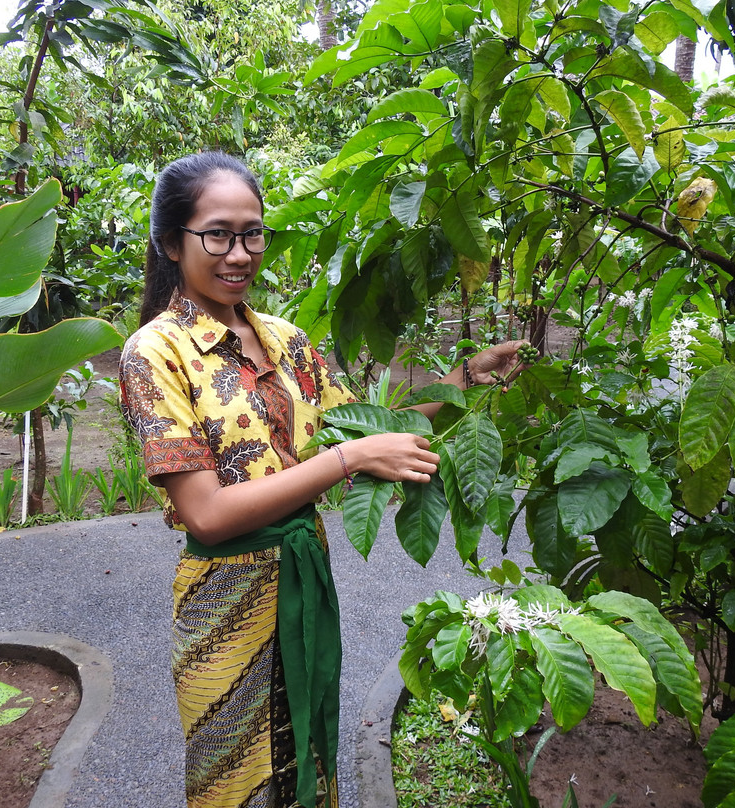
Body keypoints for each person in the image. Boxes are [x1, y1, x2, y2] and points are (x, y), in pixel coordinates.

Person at [118, 150, 526, 808]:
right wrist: (347, 461)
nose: (239, 254)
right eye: (217, 235)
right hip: (223, 603)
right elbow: (208, 514)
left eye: (252, 234)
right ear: (172, 242)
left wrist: (465, 379)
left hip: (306, 580)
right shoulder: (155, 352)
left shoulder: (286, 340)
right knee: (235, 781)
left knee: (306, 754)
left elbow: (362, 427)